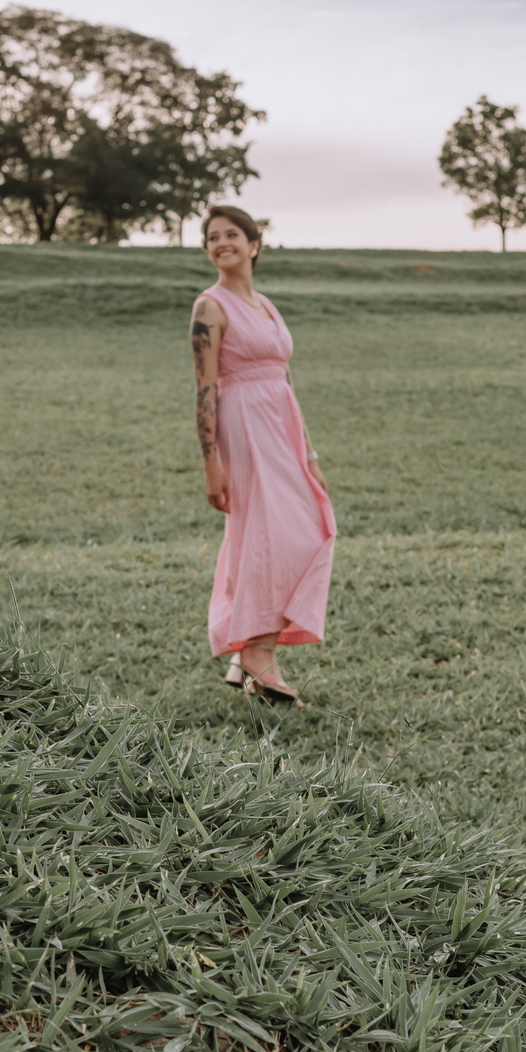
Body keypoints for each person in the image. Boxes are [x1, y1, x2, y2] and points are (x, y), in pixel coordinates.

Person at [190, 205, 336, 705]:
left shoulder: (266, 305)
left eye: (232, 234)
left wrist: (309, 452)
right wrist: (211, 464)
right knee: (264, 533)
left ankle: (250, 651)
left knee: (309, 526)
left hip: (282, 425)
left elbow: (286, 380)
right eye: (212, 237)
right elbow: (205, 388)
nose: (221, 243)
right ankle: (256, 651)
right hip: (243, 424)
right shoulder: (209, 307)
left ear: (254, 245)